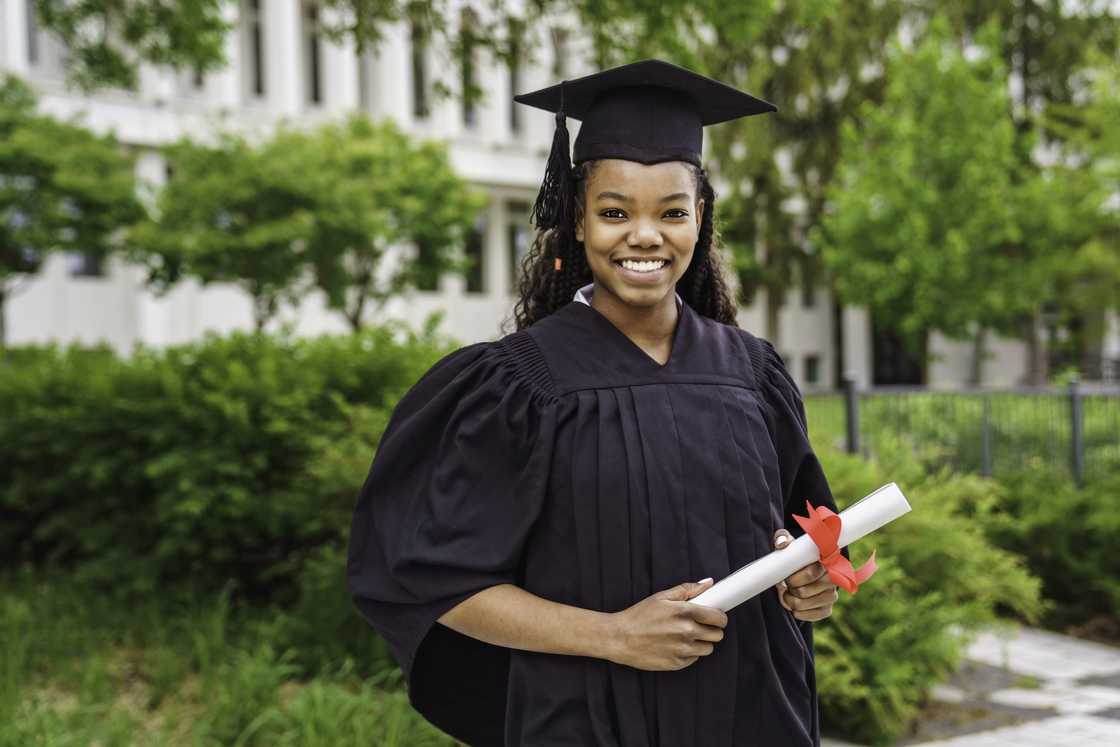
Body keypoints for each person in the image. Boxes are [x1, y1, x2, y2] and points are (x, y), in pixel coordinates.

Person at [347, 58, 851, 746]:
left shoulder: (751, 374)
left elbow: (804, 537)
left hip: (755, 715)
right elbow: (442, 582)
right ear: (577, 221)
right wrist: (613, 635)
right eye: (615, 212)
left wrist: (810, 585)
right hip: (586, 720)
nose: (645, 235)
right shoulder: (519, 387)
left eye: (672, 212)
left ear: (700, 219)